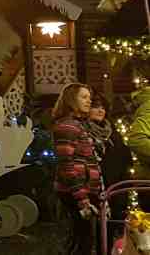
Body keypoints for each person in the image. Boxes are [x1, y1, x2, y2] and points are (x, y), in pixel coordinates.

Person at [53, 83, 100, 255]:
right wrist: (82, 198)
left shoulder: (78, 124)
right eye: (84, 97)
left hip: (84, 190)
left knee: (82, 237)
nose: (89, 101)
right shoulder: (68, 126)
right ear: (72, 99)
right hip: (75, 191)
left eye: (90, 97)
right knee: (82, 240)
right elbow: (66, 164)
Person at [86, 93, 130, 242]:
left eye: (103, 107)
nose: (100, 111)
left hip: (117, 186)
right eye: (96, 107)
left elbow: (123, 157)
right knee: (97, 232)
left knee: (113, 229)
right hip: (97, 187)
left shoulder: (112, 131)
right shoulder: (85, 132)